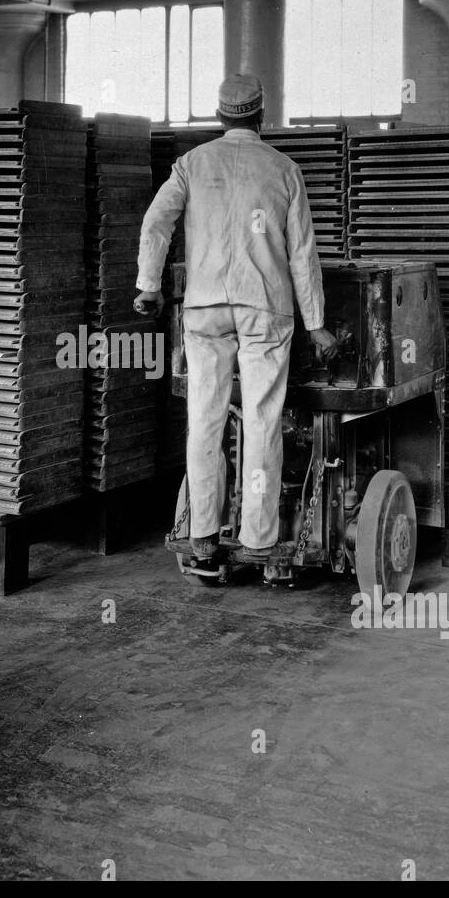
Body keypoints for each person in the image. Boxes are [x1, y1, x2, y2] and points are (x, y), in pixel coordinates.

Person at [134, 74, 336, 575]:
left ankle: (203, 538)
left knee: (204, 419)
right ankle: (260, 540)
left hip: (204, 307)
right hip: (264, 307)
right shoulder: (284, 170)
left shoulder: (191, 165)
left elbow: (156, 221)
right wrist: (316, 324)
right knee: (264, 420)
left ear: (220, 115)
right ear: (261, 115)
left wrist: (149, 285)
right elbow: (302, 254)